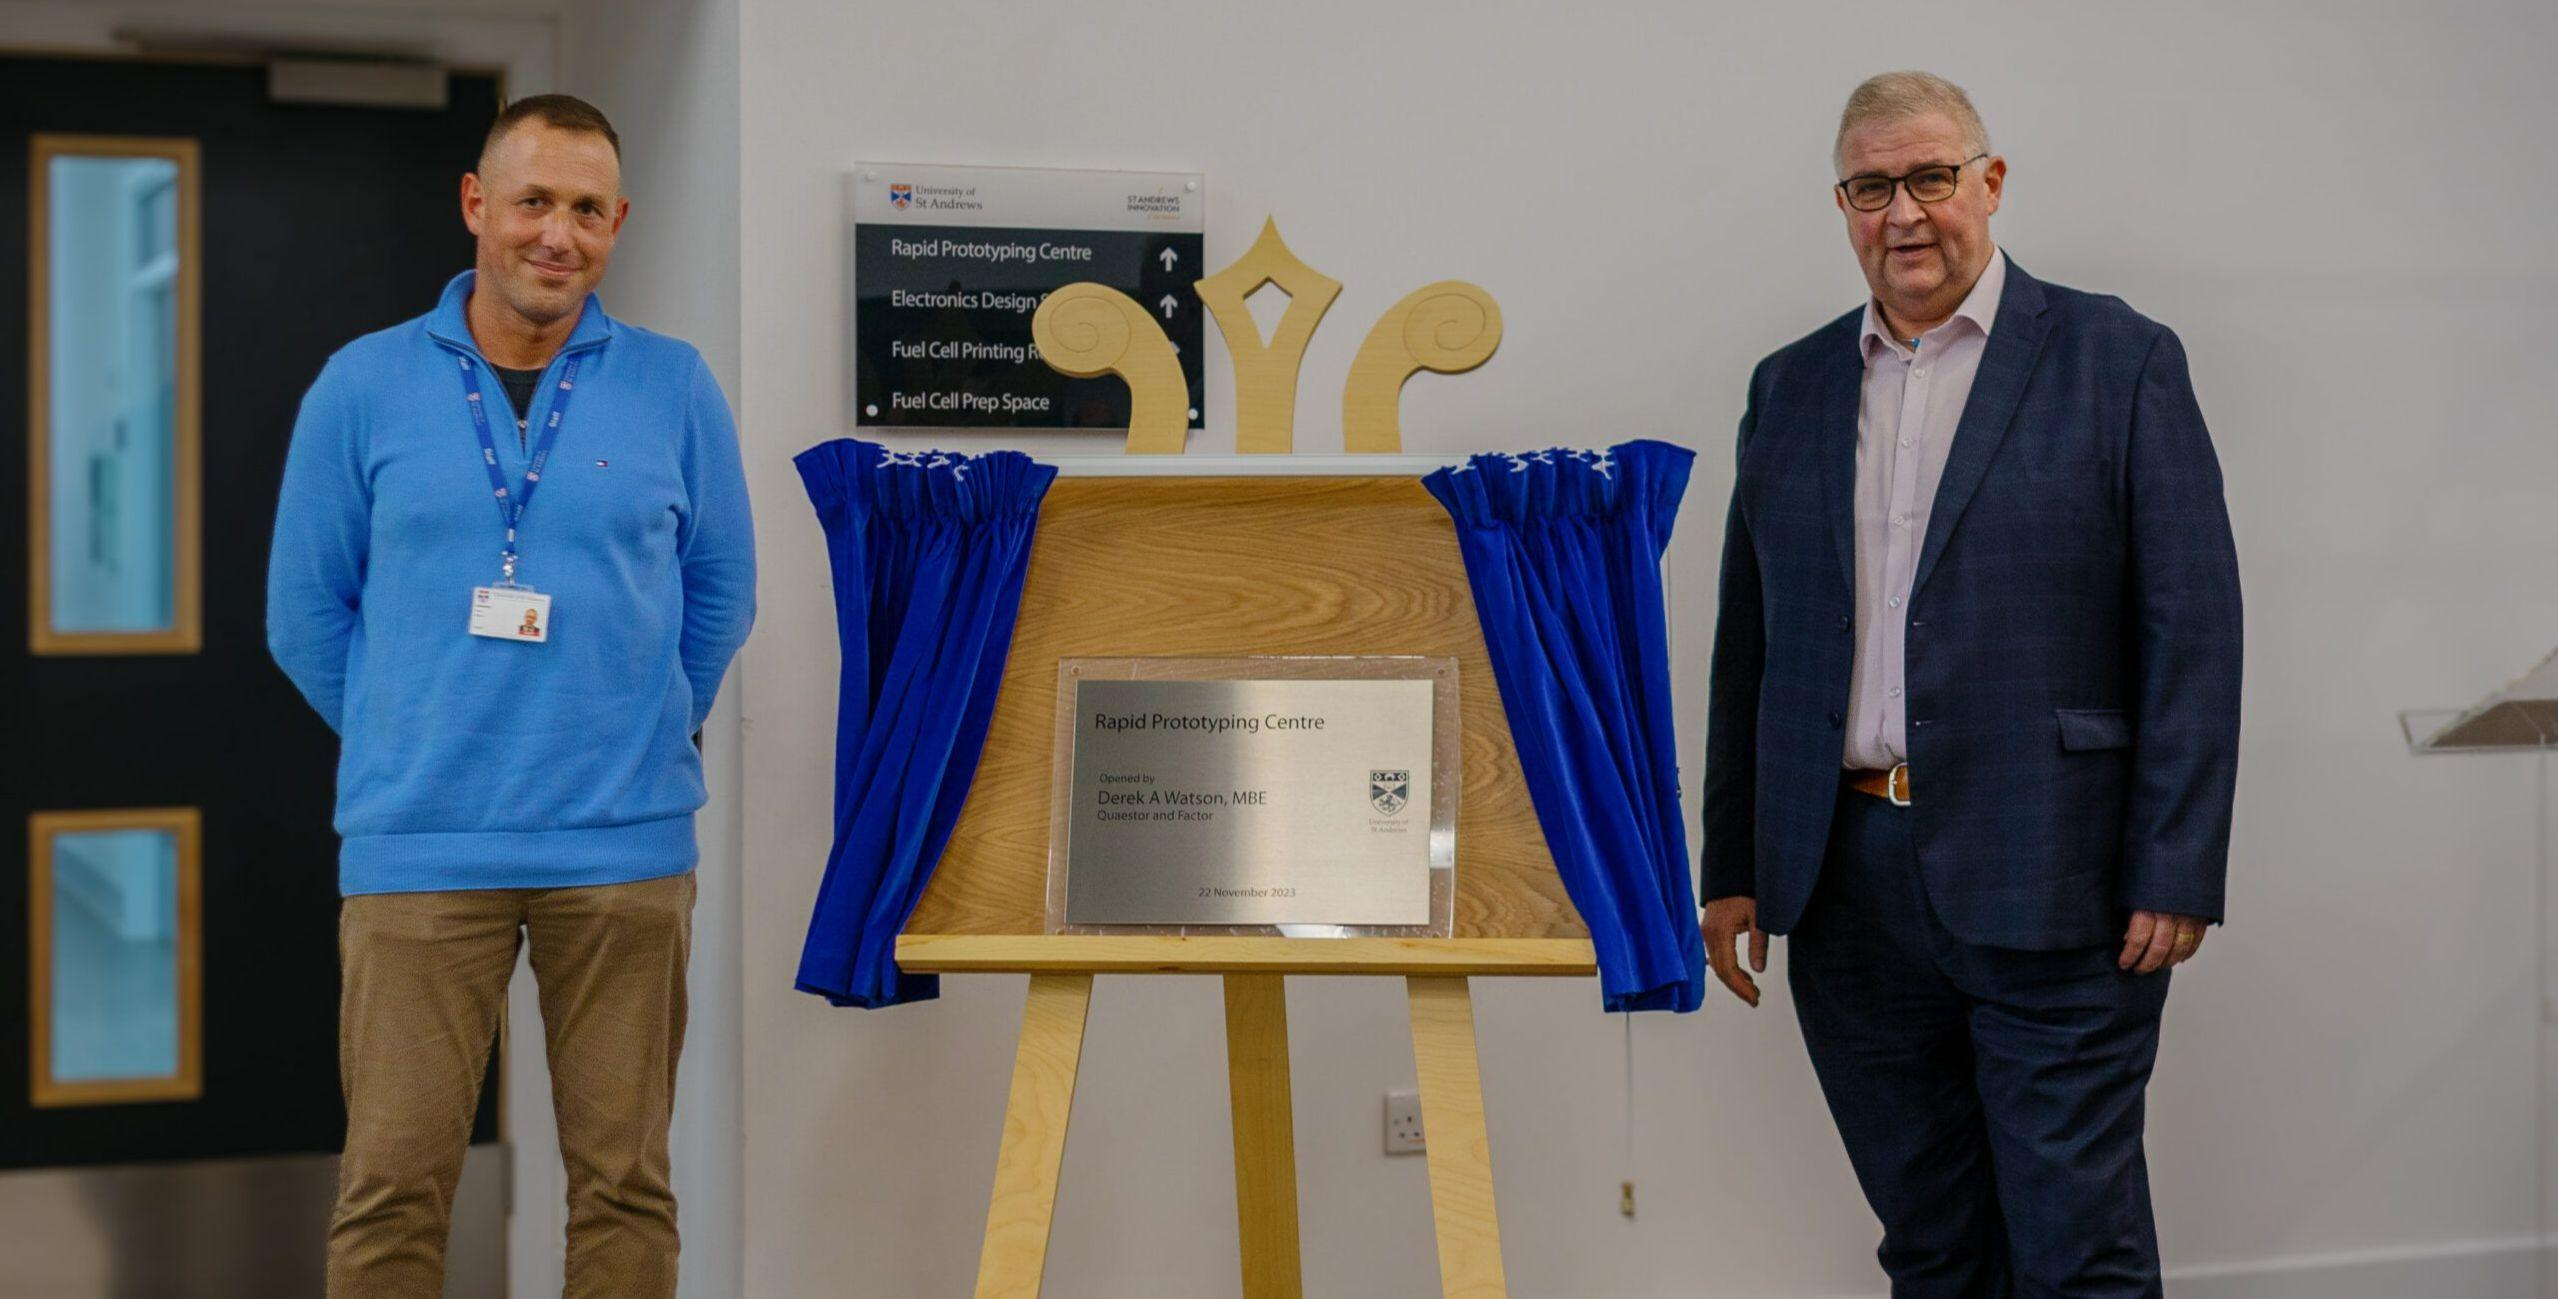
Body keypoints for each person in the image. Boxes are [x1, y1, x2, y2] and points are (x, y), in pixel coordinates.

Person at [1700, 71, 2241, 1296]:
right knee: (1929, 1245)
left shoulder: (2117, 360)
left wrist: (2175, 864)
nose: (1904, 213)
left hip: (2058, 879)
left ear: (1988, 184)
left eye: (1930, 178)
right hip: (1841, 887)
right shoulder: (1785, 390)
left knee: (2073, 1251)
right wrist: (1729, 864)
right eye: (1871, 187)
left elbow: (2192, 632)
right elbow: (1753, 642)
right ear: (1841, 205)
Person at [266, 93, 754, 1298]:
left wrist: (627, 722)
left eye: (587, 210)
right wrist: (412, 731)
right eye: (533, 201)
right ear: (478, 206)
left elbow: (720, 594)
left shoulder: (674, 387)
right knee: (391, 1188)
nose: (558, 234)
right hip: (420, 847)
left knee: (624, 1189)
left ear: (617, 222)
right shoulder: (361, 385)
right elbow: (303, 616)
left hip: (623, 850)